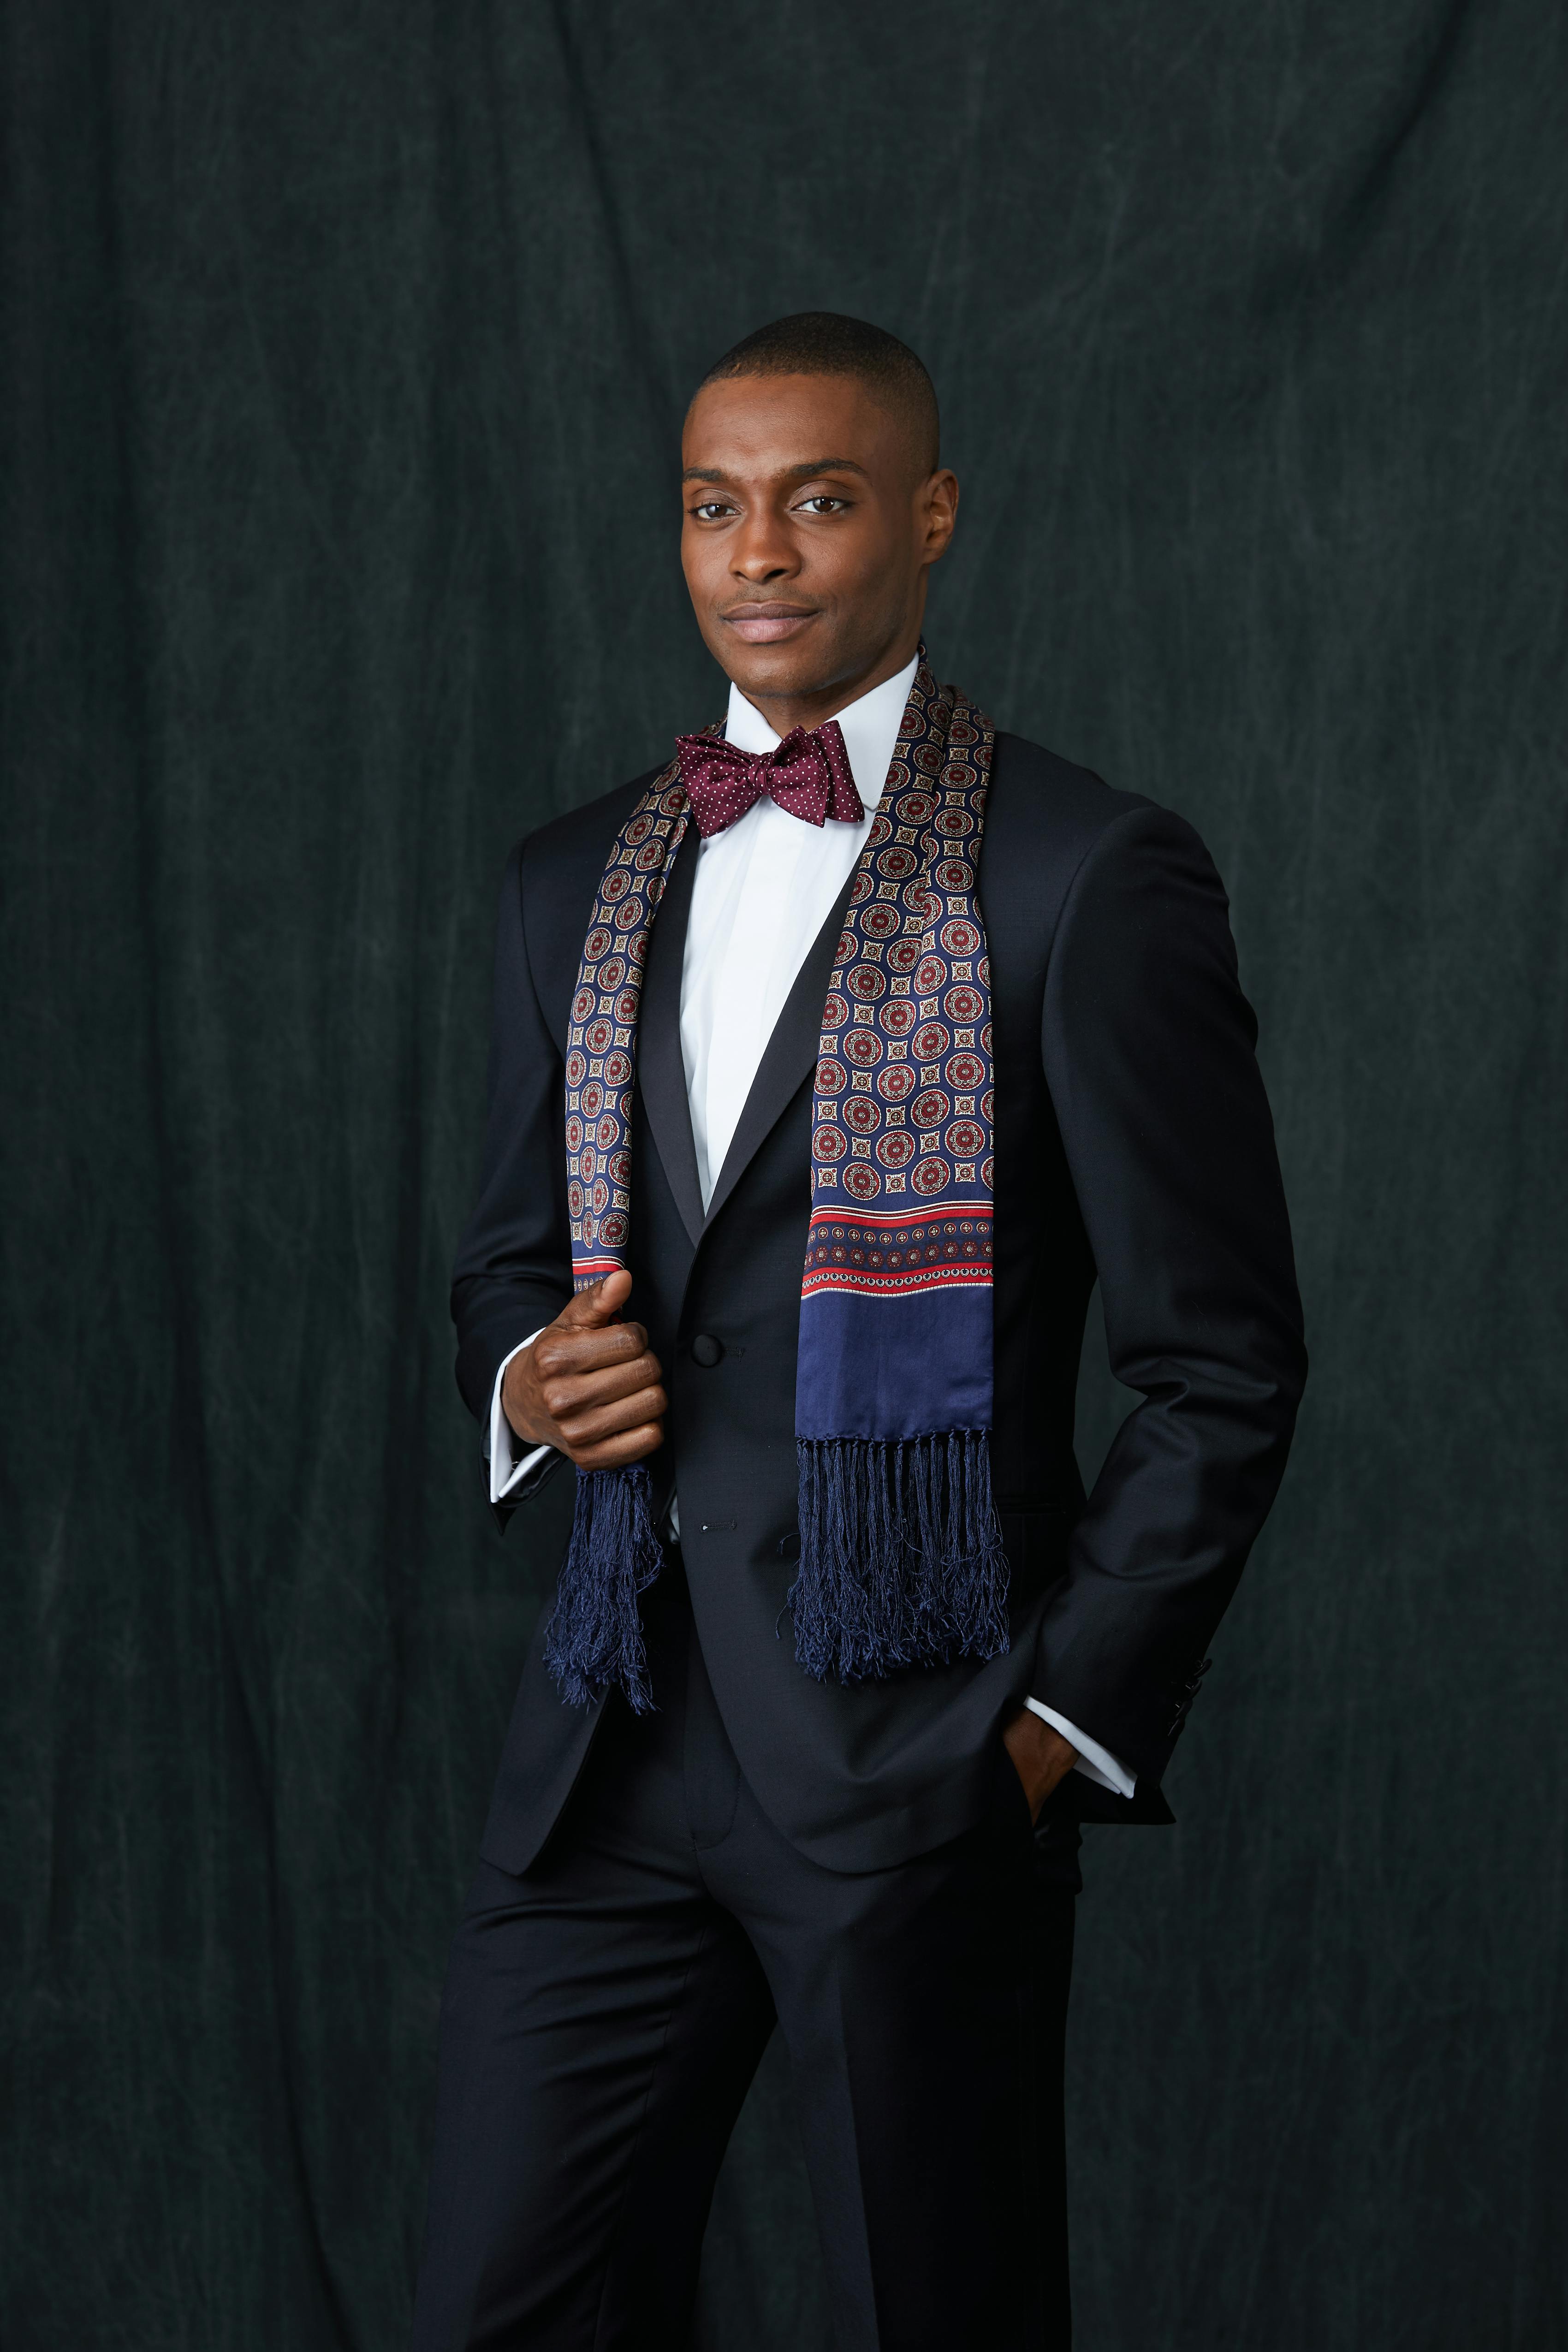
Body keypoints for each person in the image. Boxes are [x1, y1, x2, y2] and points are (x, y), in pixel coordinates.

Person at [411, 312, 1306, 2350]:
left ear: (925, 516)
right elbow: (502, 1262)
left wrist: (1046, 1737)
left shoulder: (1086, 877)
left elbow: (1220, 1361)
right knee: (500, 2309)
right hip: (609, 1742)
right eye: (717, 507)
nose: (761, 556)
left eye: (817, 502)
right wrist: (523, 1381)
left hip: (915, 1764)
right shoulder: (571, 881)